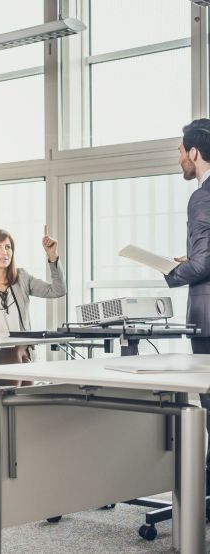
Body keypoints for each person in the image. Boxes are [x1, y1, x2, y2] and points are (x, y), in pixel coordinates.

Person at [166, 118, 210, 492]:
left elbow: (204, 265)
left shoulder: (202, 196)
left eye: (181, 152)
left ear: (194, 152)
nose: (179, 159)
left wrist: (171, 271)